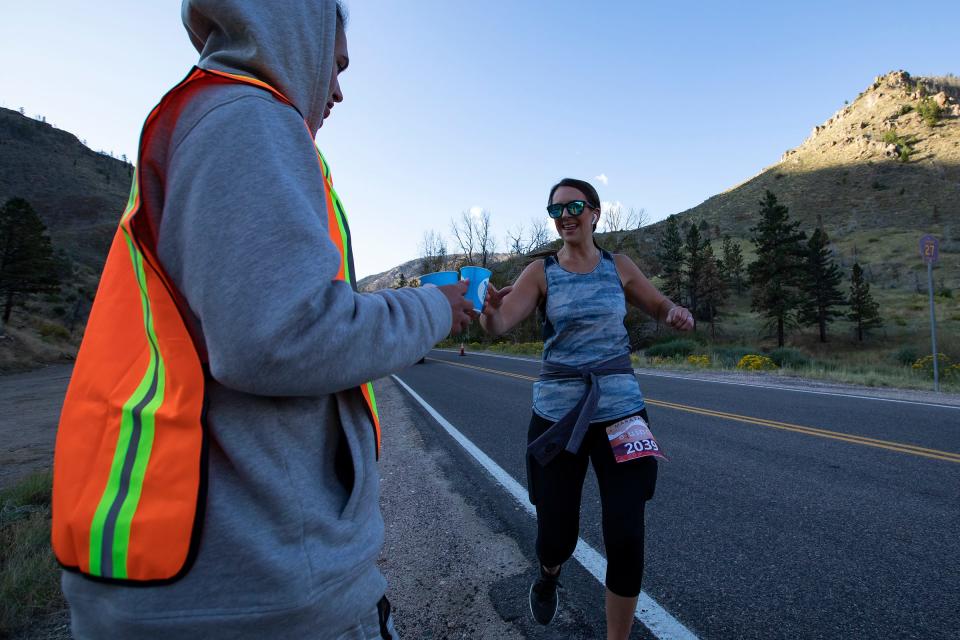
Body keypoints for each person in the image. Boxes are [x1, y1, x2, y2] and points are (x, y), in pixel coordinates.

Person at [52, 1, 474, 638]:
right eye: (334, 66)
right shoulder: (245, 120)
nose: (337, 90)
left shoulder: (220, 121)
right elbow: (283, 338)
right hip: (250, 590)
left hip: (211, 575)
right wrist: (432, 306)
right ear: (295, 29)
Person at [478, 178, 694, 639]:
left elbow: (658, 306)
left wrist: (673, 312)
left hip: (622, 413)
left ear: (595, 213)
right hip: (558, 417)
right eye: (556, 210)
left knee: (627, 535)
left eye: (574, 206)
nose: (565, 215)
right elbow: (499, 324)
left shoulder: (619, 266)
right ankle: (549, 572)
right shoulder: (541, 272)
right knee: (557, 535)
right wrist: (489, 311)